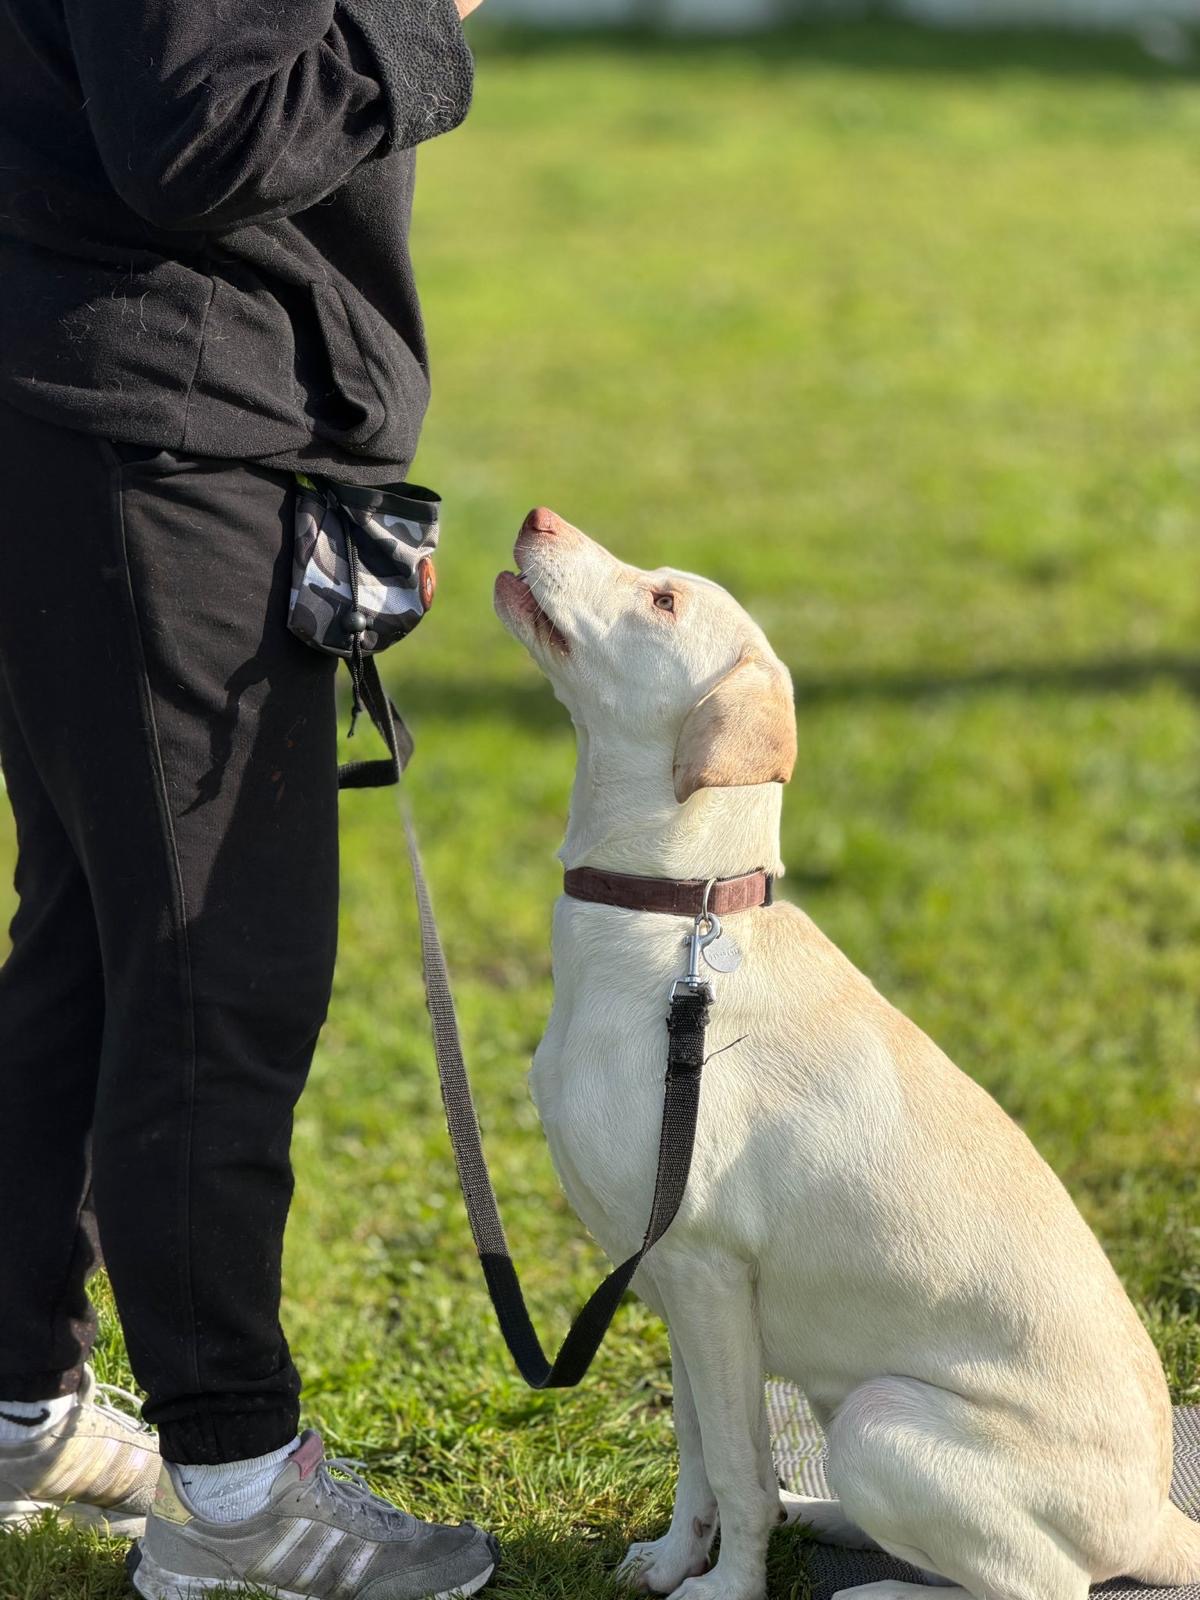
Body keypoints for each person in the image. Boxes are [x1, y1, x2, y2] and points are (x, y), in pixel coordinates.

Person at [0, 1, 498, 1595]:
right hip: (144, 421)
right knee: (221, 971)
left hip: (86, 401)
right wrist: (426, 20)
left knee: (95, 941)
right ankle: (232, 1494)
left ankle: (16, 1403)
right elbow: (199, 134)